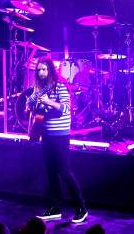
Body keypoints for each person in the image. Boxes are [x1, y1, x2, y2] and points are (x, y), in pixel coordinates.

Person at [26, 56, 88, 224]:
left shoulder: (59, 86)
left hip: (60, 135)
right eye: (38, 70)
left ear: (50, 70)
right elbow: (30, 103)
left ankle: (81, 208)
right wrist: (29, 102)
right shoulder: (39, 88)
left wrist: (49, 102)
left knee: (64, 172)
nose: (41, 72)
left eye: (44, 69)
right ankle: (55, 208)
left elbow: (66, 108)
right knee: (51, 172)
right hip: (45, 134)